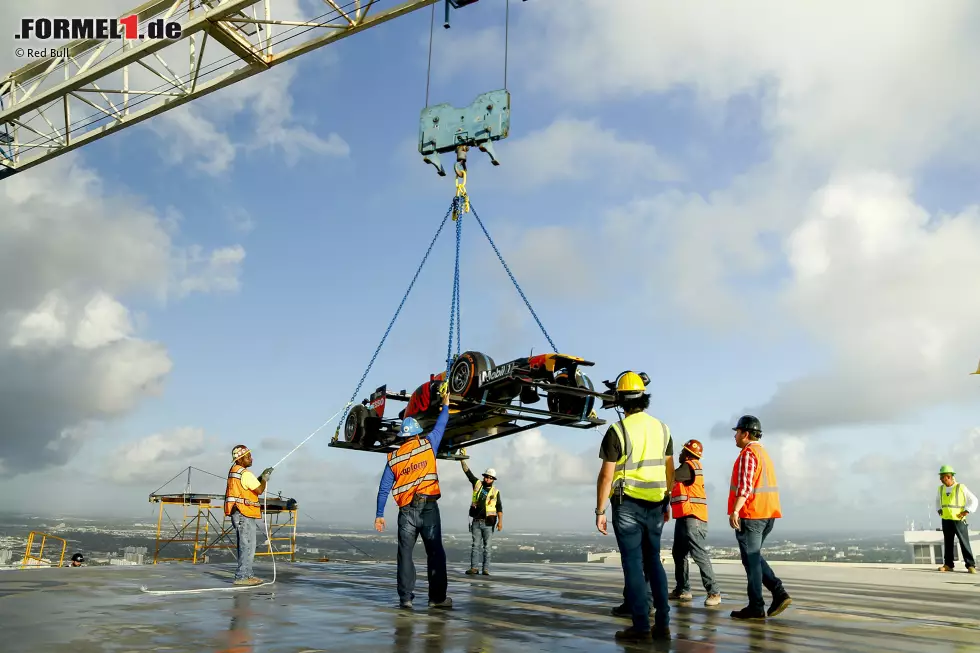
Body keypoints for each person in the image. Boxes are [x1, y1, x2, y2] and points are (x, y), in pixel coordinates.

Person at [595, 371, 673, 642]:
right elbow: (669, 469)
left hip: (626, 503)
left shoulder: (617, 430)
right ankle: (662, 625)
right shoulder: (663, 429)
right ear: (644, 397)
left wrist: (599, 510)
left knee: (633, 563)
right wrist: (668, 499)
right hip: (656, 504)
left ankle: (641, 627)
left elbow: (607, 474)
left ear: (619, 400)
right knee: (654, 563)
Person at [375, 388, 453, 610]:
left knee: (405, 555)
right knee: (435, 552)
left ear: (402, 437)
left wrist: (380, 515)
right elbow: (441, 425)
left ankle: (406, 599)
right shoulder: (428, 445)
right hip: (428, 508)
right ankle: (436, 599)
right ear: (417, 434)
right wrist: (446, 403)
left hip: (406, 512)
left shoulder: (394, 457)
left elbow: (383, 490)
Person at [727, 415, 791, 620]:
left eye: (737, 432)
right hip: (767, 514)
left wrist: (736, 510)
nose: (735, 436)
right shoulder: (763, 453)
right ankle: (778, 593)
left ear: (746, 434)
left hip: (752, 514)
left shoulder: (748, 454)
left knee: (752, 561)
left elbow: (745, 487)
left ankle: (757, 605)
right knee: (752, 558)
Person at [669, 439, 722, 606]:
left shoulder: (689, 466)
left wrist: (664, 461)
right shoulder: (692, 467)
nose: (680, 454)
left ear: (686, 453)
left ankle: (714, 592)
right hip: (685, 517)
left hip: (693, 518)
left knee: (698, 554)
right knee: (679, 554)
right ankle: (683, 590)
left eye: (682, 451)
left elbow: (670, 476)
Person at [224, 445, 272, 586]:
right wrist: (264, 478)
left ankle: (247, 574)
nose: (251, 459)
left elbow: (246, 487)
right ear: (240, 459)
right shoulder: (245, 473)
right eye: (248, 457)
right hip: (243, 513)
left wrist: (260, 478)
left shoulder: (235, 471)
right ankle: (242, 576)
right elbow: (259, 489)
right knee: (248, 546)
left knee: (246, 545)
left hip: (238, 513)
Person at [459, 454, 503, 576]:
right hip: (477, 521)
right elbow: (468, 473)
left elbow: (499, 507)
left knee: (487, 548)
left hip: (489, 523)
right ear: (484, 477)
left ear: (493, 479)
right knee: (475, 546)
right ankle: (474, 568)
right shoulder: (477, 484)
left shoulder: (495, 492)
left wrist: (500, 521)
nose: (488, 479)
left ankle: (485, 569)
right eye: (487, 477)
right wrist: (462, 460)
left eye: (490, 478)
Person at [935, 465, 977, 574]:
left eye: (942, 476)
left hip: (959, 520)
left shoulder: (960, 487)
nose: (940, 479)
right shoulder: (940, 489)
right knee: (948, 542)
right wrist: (939, 509)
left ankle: (970, 565)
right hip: (946, 519)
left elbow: (974, 500)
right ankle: (948, 564)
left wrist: (966, 511)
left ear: (949, 477)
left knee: (964, 542)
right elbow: (937, 501)